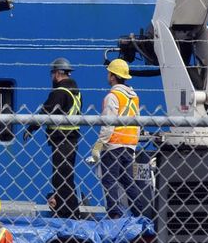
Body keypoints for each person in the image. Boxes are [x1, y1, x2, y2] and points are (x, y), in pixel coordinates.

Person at [23, 57, 82, 219]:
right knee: (65, 177)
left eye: (52, 74)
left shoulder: (60, 92)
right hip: (71, 140)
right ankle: (67, 212)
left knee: (61, 178)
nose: (51, 78)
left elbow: (46, 112)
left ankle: (69, 213)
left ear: (57, 73)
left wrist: (31, 128)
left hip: (62, 140)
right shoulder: (75, 92)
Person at [90, 58, 147, 219]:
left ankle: (114, 214)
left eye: (109, 73)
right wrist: (134, 146)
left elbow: (108, 123)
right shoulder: (133, 97)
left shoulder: (113, 96)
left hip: (114, 145)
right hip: (129, 146)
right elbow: (137, 123)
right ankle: (139, 212)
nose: (107, 76)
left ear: (113, 76)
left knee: (109, 180)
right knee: (128, 181)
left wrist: (99, 145)